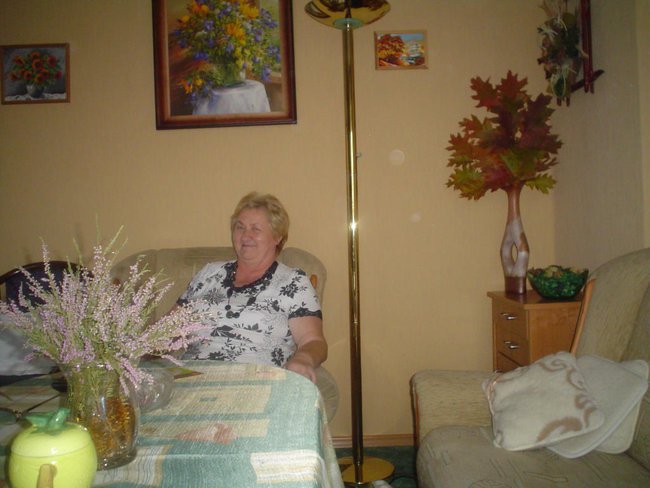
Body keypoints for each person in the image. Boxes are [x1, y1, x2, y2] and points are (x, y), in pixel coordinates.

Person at [177, 192, 328, 382]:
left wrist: (304, 359)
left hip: (254, 380)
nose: (245, 235)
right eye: (240, 227)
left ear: (277, 237)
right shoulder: (209, 274)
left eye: (255, 229)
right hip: (191, 377)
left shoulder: (293, 282)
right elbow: (168, 328)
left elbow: (313, 341)